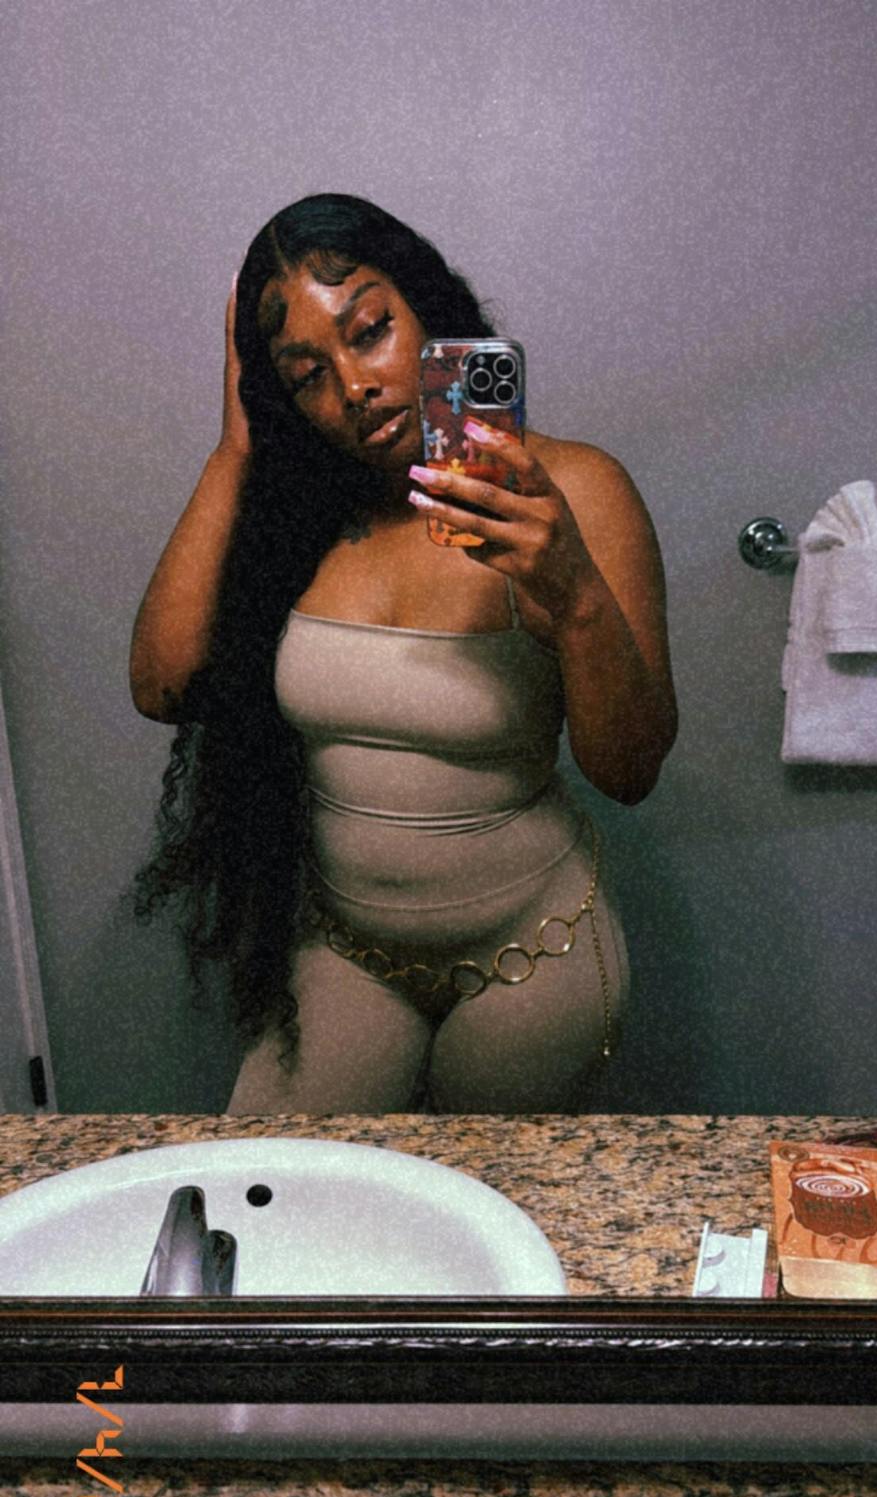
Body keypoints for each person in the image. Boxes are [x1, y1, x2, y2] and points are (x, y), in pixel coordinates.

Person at [130, 194, 677, 1113]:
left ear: (426, 307)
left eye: (371, 331)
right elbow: (161, 684)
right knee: (279, 1178)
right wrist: (234, 449)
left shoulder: (575, 489)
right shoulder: (300, 516)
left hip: (530, 951)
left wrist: (575, 595)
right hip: (349, 954)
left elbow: (629, 773)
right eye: (307, 375)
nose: (353, 386)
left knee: (485, 1197)